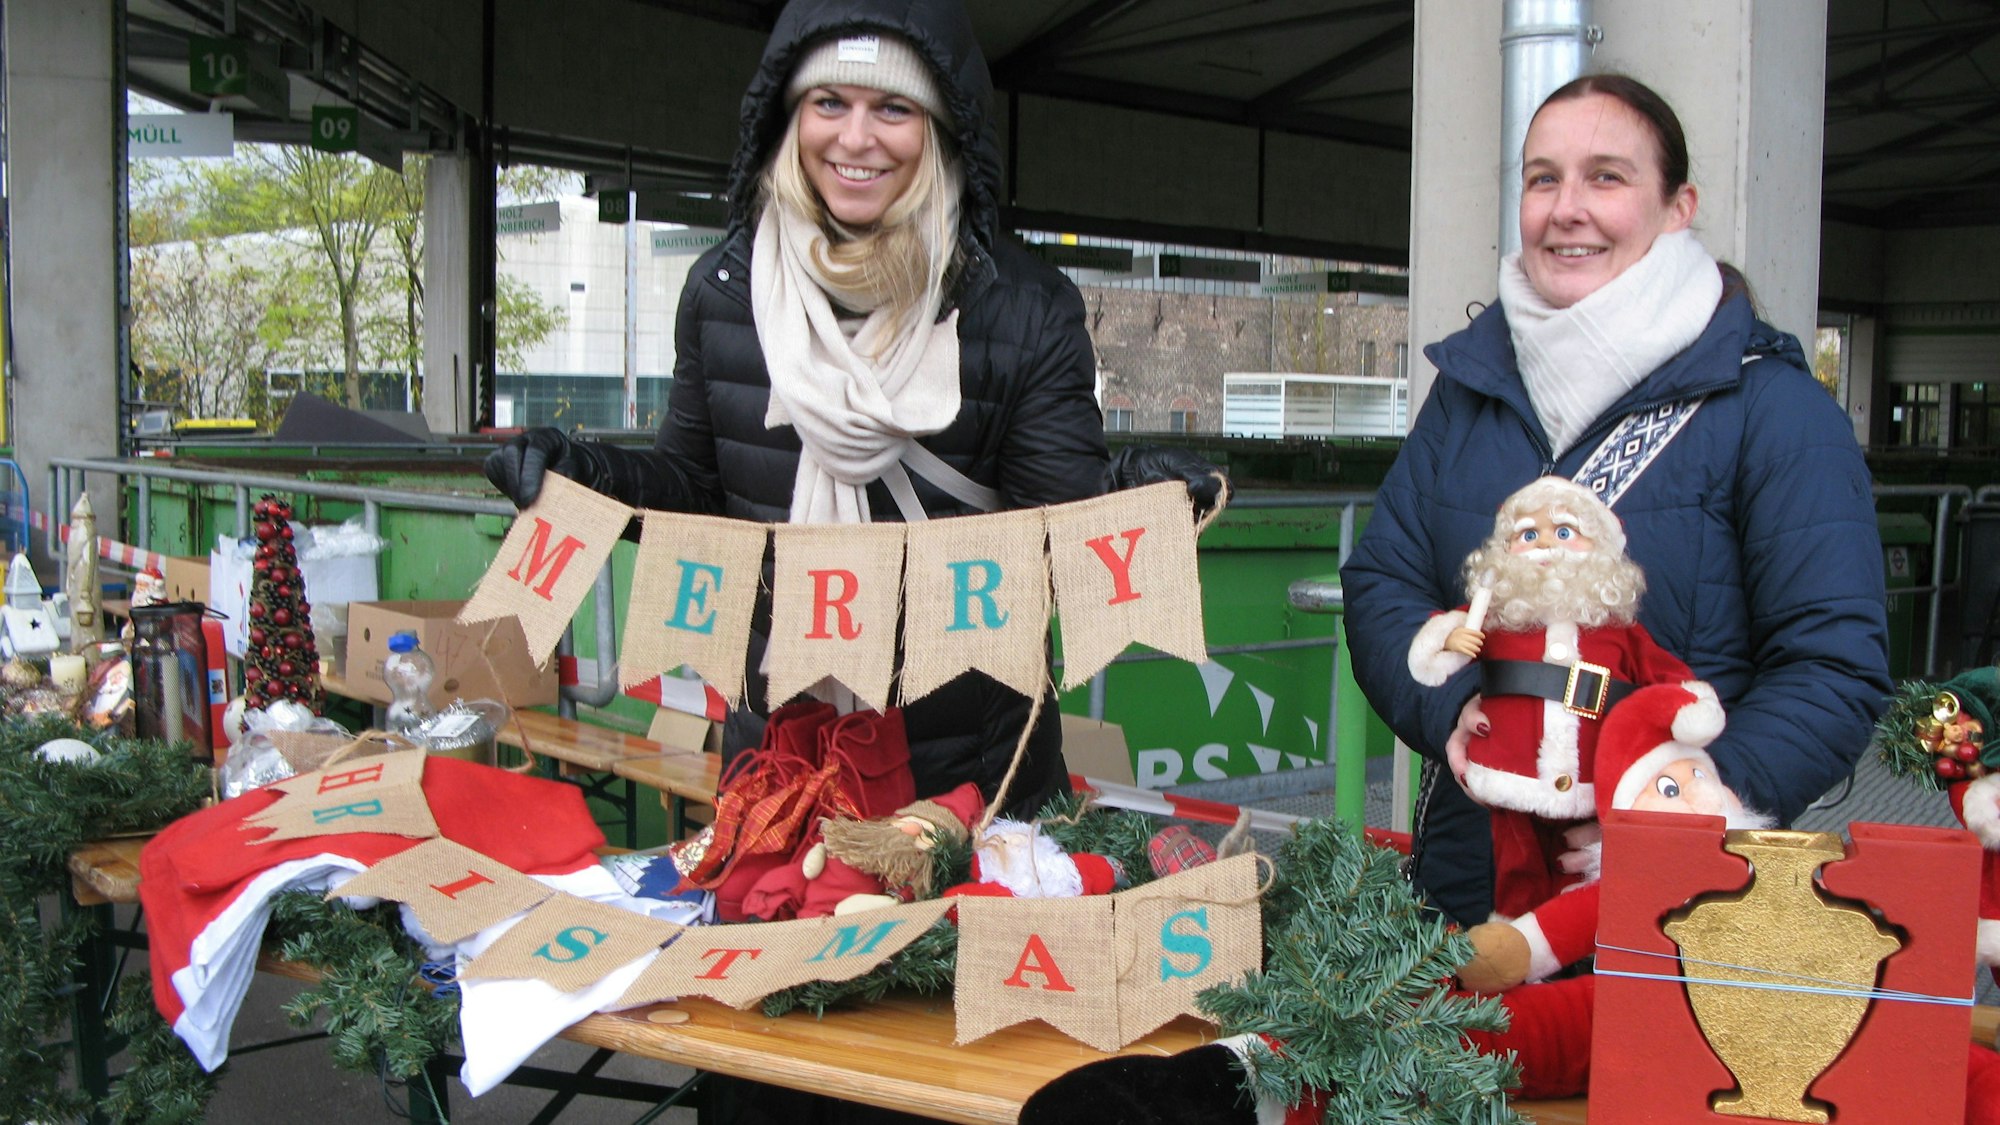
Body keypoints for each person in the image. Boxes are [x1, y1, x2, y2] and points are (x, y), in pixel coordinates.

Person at [483, 0, 1221, 827]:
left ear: (942, 127)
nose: (856, 137)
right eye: (829, 102)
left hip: (971, 785)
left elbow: (1056, 520)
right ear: (789, 117)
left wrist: (1134, 491)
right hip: (781, 765)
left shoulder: (1023, 307)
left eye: (893, 108)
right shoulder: (725, 292)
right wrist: (581, 472)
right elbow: (693, 492)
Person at [1340, 73, 1891, 928]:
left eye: (1606, 176)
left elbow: (1832, 664)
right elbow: (1384, 582)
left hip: (1676, 907)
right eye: (1543, 179)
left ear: (1677, 207)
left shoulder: (1775, 411)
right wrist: (1453, 711)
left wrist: (1678, 805)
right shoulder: (1470, 393)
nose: (1568, 208)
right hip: (1468, 891)